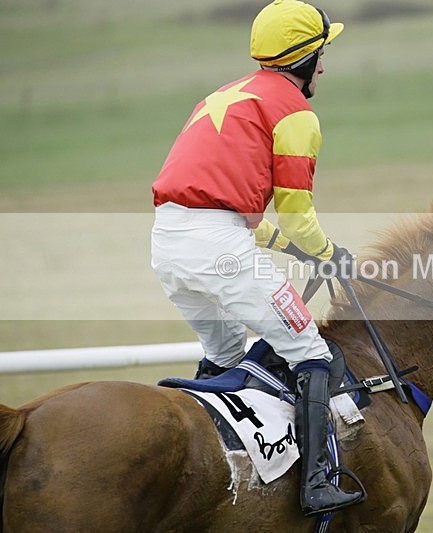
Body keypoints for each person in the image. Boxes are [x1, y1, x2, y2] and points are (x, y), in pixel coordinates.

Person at [150, 0, 363, 516]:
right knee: (309, 352)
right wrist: (329, 254)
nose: (324, 66)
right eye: (322, 54)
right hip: (220, 248)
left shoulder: (225, 94)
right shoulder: (295, 113)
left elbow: (235, 209)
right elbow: (296, 214)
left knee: (224, 355)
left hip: (167, 243)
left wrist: (292, 251)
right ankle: (317, 483)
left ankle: (202, 472)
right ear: (307, 59)